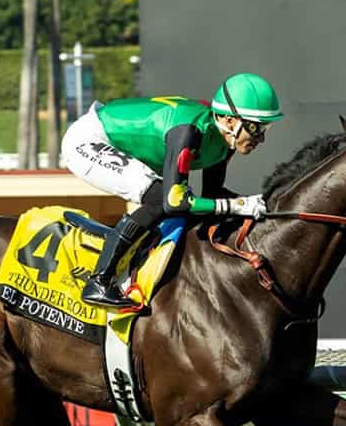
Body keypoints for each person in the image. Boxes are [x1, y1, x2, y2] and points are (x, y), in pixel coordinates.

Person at [60, 72, 284, 308]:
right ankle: (99, 280)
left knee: (177, 204)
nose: (261, 138)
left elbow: (213, 194)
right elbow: (174, 201)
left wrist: (258, 205)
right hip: (89, 139)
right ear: (230, 121)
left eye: (265, 128)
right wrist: (239, 205)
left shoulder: (224, 141)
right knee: (159, 199)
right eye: (255, 127)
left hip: (125, 139)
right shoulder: (188, 132)